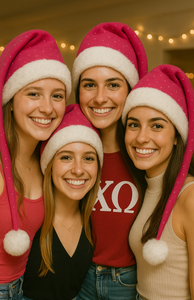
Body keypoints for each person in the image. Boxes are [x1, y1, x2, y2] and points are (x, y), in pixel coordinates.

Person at [72, 22, 148, 299]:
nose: (100, 97)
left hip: (129, 280)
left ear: (130, 90)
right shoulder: (66, 149)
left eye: (113, 85)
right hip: (79, 277)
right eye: (89, 85)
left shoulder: (147, 154)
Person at [0, 29, 71, 299]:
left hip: (21, 289)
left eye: (58, 96)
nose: (48, 108)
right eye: (34, 94)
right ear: (11, 101)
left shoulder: (46, 163)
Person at [122, 64, 194, 299]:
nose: (142, 137)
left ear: (177, 136)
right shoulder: (147, 187)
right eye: (134, 124)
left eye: (157, 126)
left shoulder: (190, 198)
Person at [21, 103, 103, 300]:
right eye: (66, 157)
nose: (78, 169)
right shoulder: (28, 219)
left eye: (89, 158)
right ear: (49, 165)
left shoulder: (94, 221)